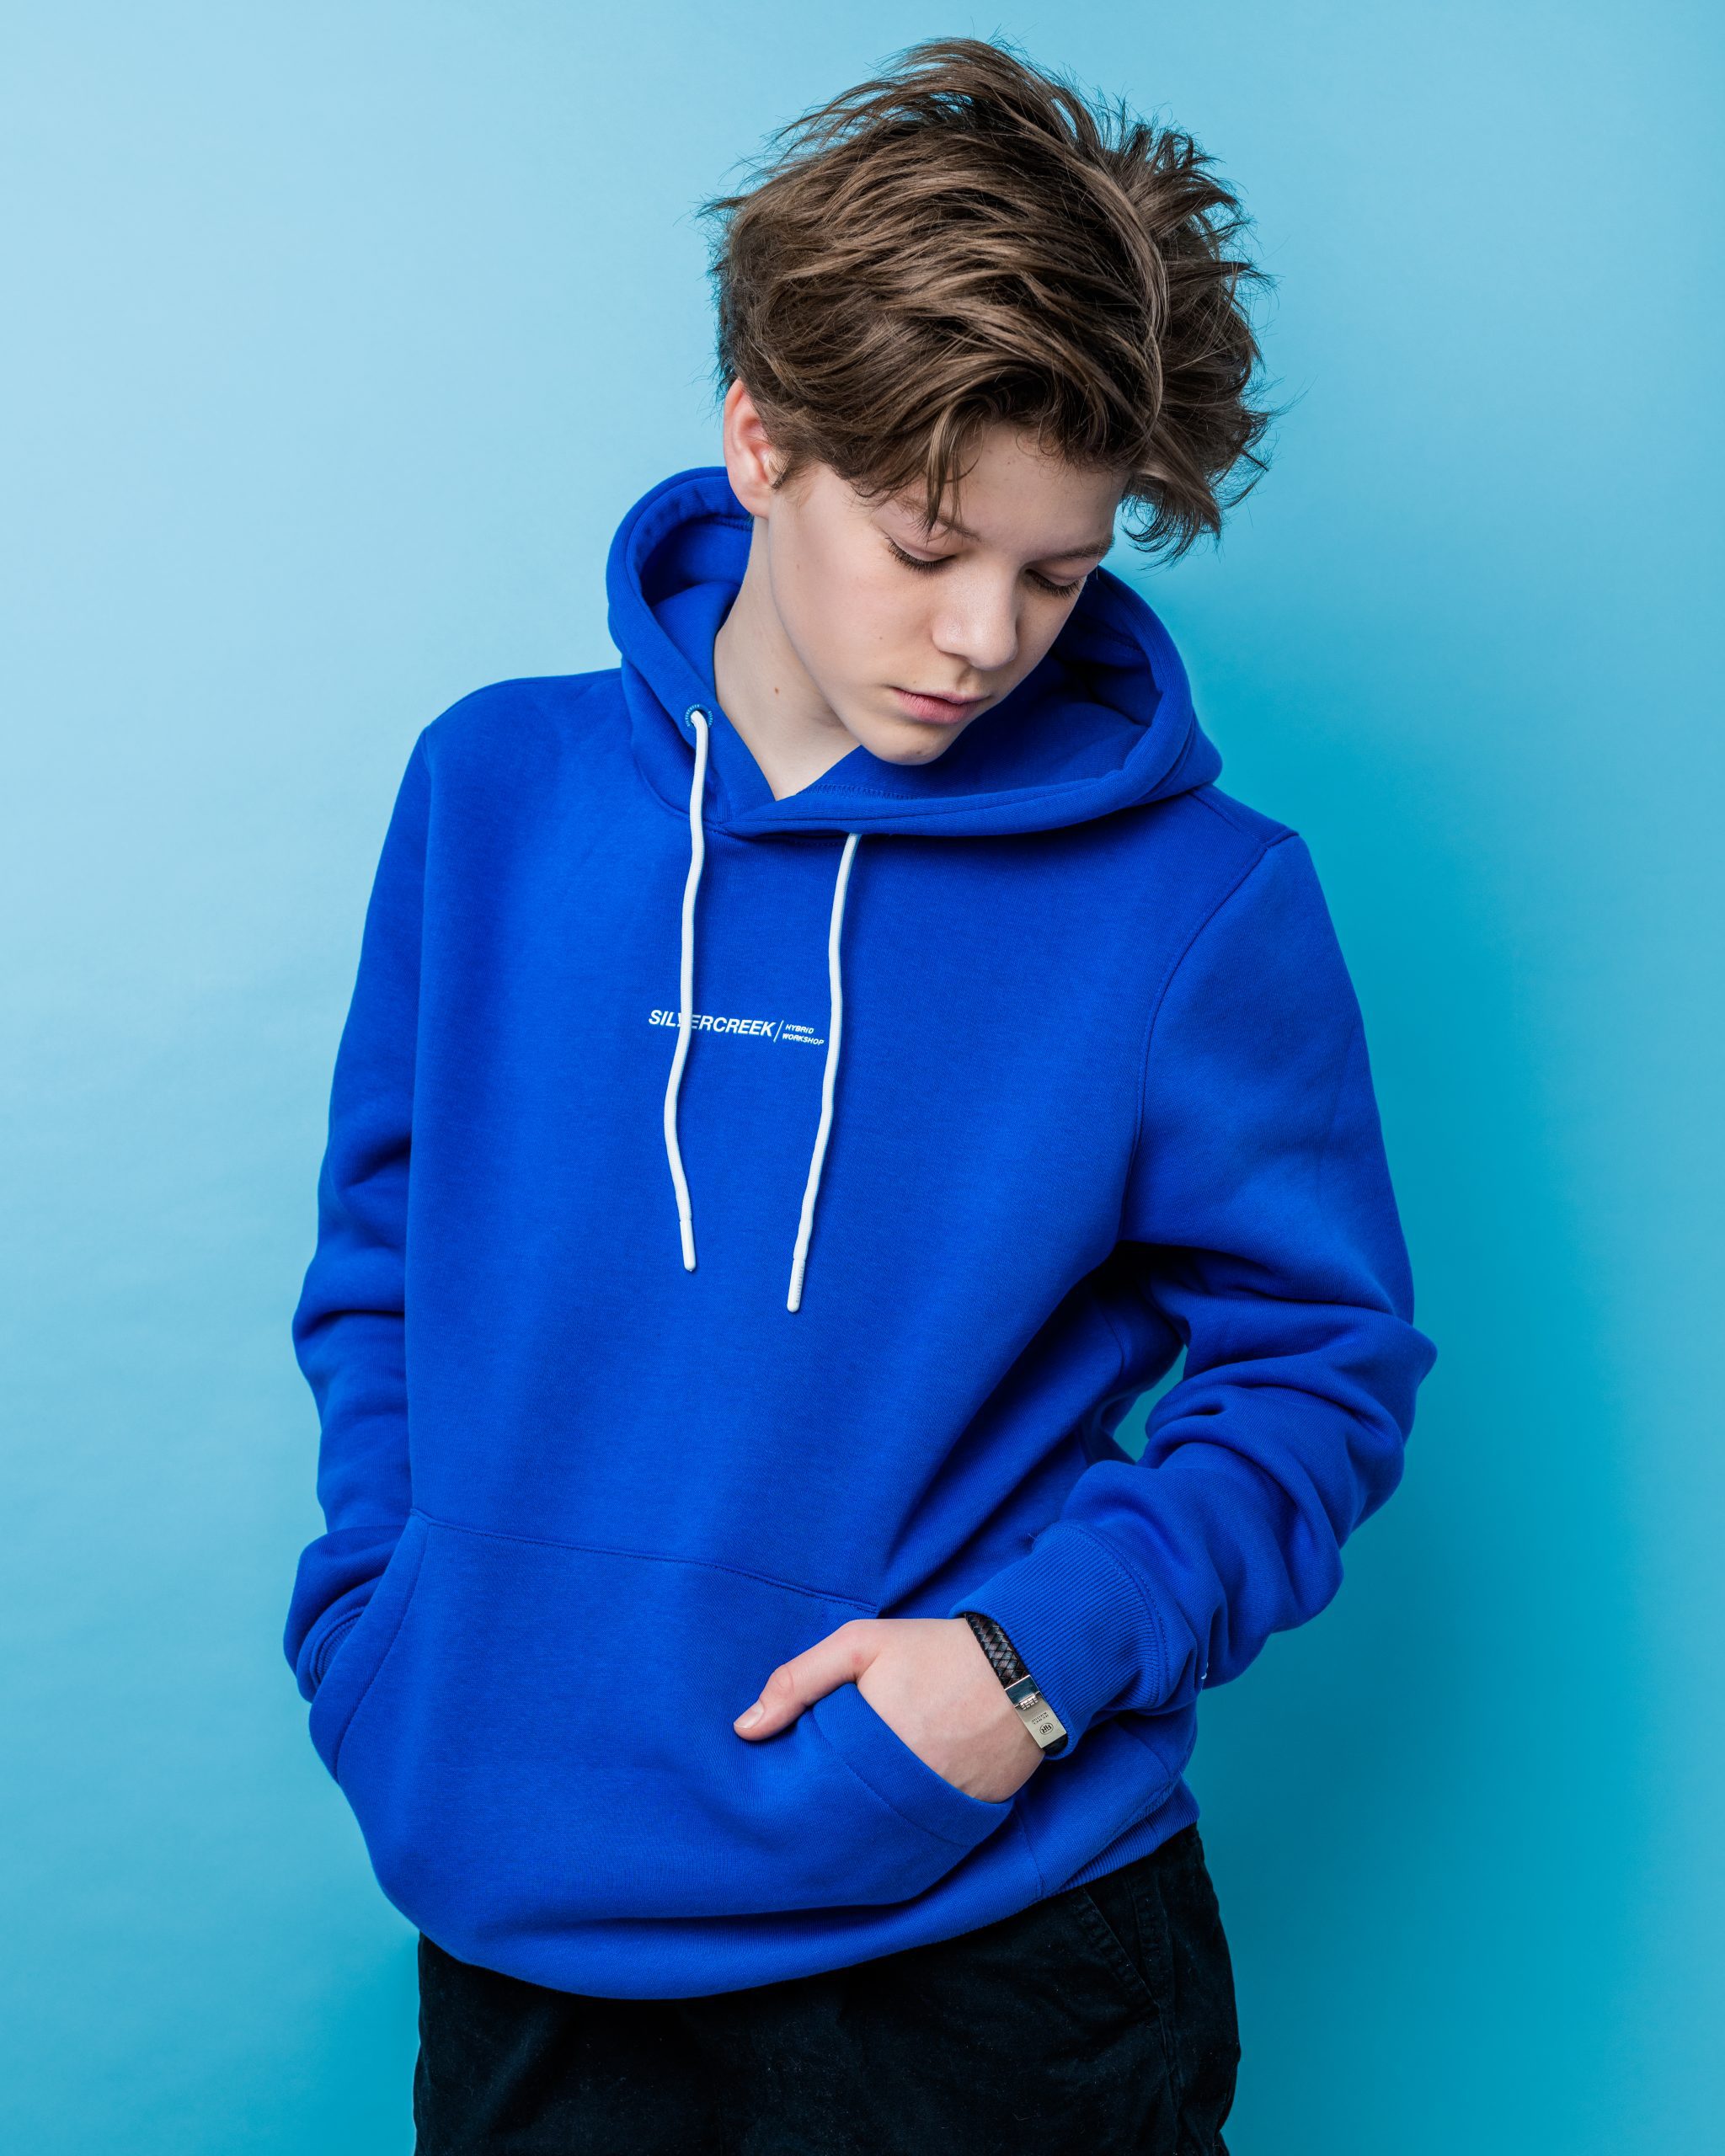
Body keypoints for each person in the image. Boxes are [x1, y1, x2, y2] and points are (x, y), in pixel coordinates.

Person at [282, 34, 1438, 2155]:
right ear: (759, 440)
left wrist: (1027, 1662)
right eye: (926, 544)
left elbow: (1321, 1369)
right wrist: (391, 1619)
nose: (984, 634)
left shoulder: (1195, 902)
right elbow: (381, 1259)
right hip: (520, 1924)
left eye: (1056, 571)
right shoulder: (493, 792)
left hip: (987, 1955)